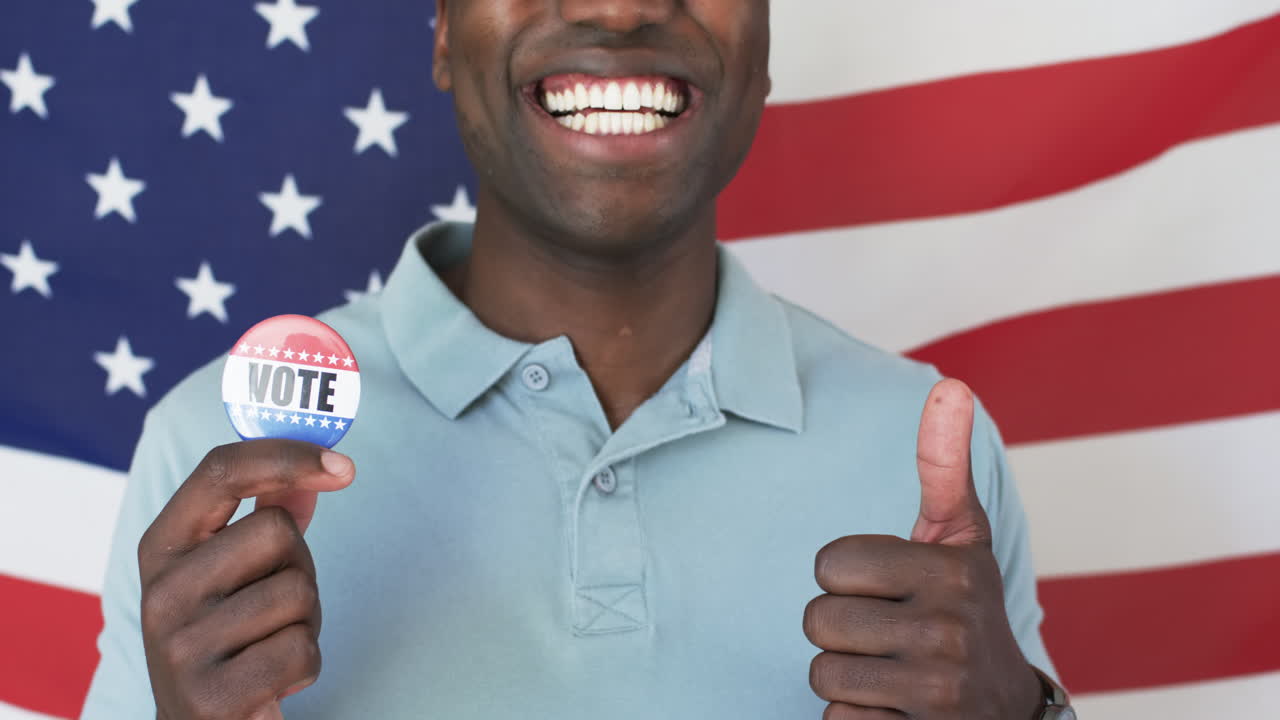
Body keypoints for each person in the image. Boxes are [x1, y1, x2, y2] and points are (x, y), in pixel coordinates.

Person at [82, 1, 1070, 718]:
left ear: (764, 50)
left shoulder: (925, 448)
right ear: (440, 34)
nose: (618, 7)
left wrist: (1024, 718)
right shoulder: (215, 444)